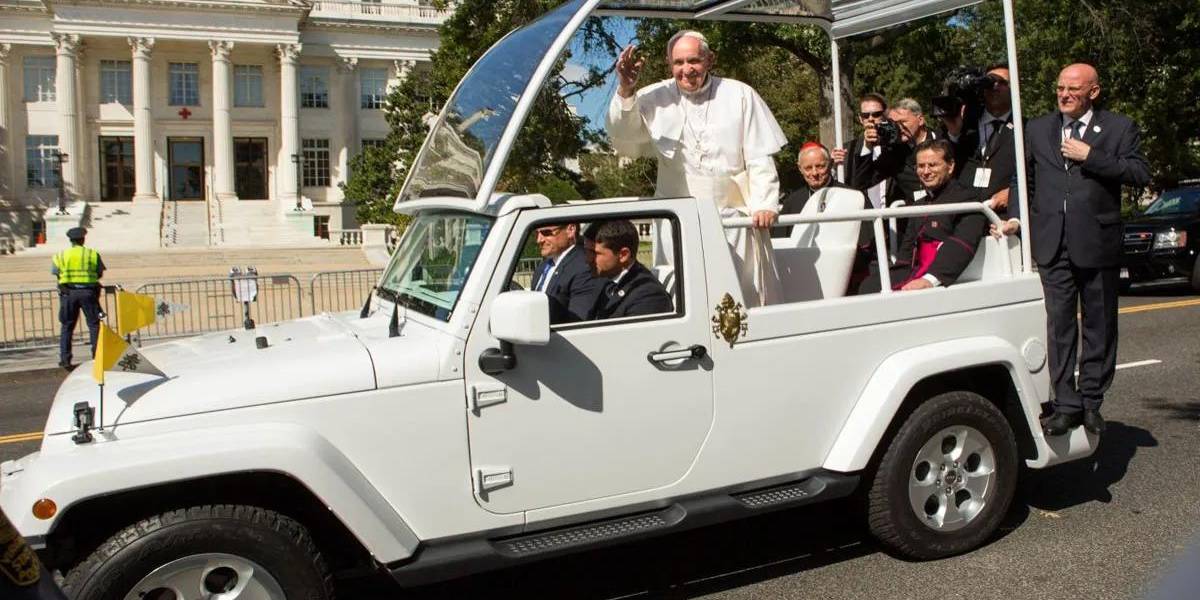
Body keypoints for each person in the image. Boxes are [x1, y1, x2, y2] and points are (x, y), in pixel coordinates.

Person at [606, 30, 787, 306]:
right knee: (684, 297)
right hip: (677, 218)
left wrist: (765, 204)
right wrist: (626, 90)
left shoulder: (739, 94)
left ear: (709, 59)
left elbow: (759, 155)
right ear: (670, 64)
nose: (686, 70)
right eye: (678, 63)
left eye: (694, 61)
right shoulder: (655, 96)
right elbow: (624, 136)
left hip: (730, 217)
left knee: (738, 295)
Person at [1028, 63, 1150, 437]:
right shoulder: (1037, 128)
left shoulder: (1119, 127)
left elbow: (1140, 173)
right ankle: (1065, 404)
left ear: (1093, 92)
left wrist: (1091, 155)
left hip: (1097, 241)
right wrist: (1027, 220)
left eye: (1074, 89)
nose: (1064, 95)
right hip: (1053, 242)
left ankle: (1092, 400)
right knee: (1059, 326)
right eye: (1060, 87)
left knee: (1099, 326)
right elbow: (1027, 180)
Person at [858, 139, 986, 293]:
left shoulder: (966, 199)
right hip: (915, 270)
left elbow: (962, 244)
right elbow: (907, 250)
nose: (926, 172)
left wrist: (930, 279)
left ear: (950, 166)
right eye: (920, 166)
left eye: (932, 165)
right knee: (868, 285)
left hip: (941, 274)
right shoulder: (919, 203)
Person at [943, 63, 1017, 216]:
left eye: (1002, 82)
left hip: (1003, 217)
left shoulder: (1027, 128)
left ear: (1015, 87)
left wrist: (1014, 192)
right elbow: (944, 163)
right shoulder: (962, 123)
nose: (994, 86)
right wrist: (954, 133)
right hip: (963, 215)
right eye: (989, 81)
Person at [584, 220, 673, 320]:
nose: (587, 259)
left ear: (623, 255)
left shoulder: (649, 297)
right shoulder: (609, 281)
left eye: (595, 253)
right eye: (586, 251)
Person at [52, 227, 105, 369]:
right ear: (83, 239)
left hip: (68, 294)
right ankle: (97, 356)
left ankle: (65, 359)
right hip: (88, 293)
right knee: (94, 325)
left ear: (70, 240)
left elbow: (57, 274)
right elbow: (99, 272)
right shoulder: (92, 254)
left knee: (67, 326)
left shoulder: (61, 255)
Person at [529, 222, 603, 324]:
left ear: (571, 230)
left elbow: (577, 322)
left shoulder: (583, 267)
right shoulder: (543, 266)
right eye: (536, 234)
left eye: (546, 233)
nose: (539, 240)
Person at [772, 142, 850, 238]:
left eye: (820, 166)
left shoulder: (850, 195)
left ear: (829, 164)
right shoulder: (792, 202)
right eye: (808, 168)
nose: (814, 173)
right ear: (800, 169)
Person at [831, 93, 889, 208]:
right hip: (862, 216)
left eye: (876, 114)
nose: (871, 119)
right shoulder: (847, 150)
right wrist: (831, 167)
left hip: (893, 217)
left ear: (885, 116)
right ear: (860, 119)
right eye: (865, 115)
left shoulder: (895, 146)